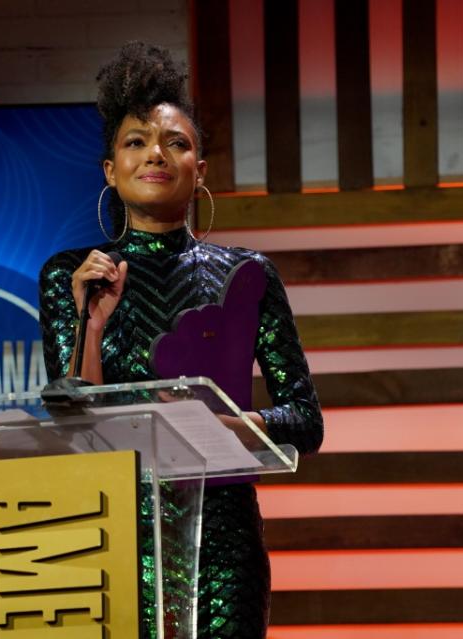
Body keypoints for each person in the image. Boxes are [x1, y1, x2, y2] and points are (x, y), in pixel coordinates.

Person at [38, 42, 323, 638]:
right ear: (111, 172)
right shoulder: (76, 275)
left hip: (221, 542)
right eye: (135, 142)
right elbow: (70, 419)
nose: (155, 155)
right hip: (107, 536)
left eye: (176, 142)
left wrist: (225, 428)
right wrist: (91, 323)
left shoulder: (247, 276)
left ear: (200, 167)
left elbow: (305, 420)